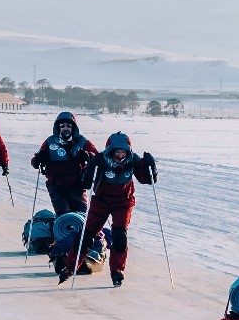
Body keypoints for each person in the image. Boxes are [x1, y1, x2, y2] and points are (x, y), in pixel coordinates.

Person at [61, 132, 155, 287]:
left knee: (119, 236)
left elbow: (146, 180)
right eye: (117, 152)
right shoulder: (101, 159)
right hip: (101, 202)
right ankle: (70, 266)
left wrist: (150, 168)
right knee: (87, 236)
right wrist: (90, 168)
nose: (119, 155)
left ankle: (117, 271)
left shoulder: (133, 160)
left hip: (123, 203)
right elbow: (86, 183)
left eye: (123, 152)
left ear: (128, 151)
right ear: (110, 150)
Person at [30, 111, 98, 214]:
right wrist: (40, 158)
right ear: (58, 128)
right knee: (63, 213)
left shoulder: (82, 141)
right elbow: (35, 162)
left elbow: (97, 158)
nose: (65, 128)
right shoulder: (50, 141)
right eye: (62, 126)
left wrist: (88, 156)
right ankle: (63, 228)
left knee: (82, 214)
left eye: (68, 126)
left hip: (77, 184)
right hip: (56, 185)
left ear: (73, 128)